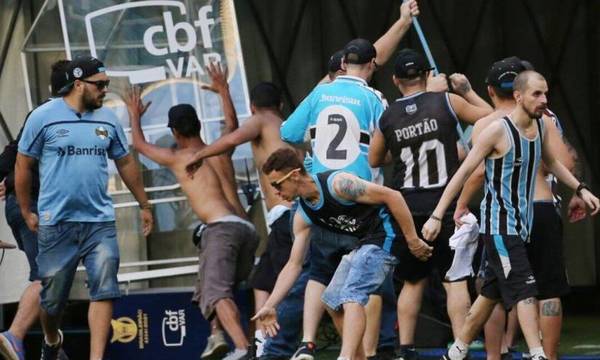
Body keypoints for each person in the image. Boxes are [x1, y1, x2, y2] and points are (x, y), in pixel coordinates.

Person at [420, 70, 600, 360]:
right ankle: (538, 353)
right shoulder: (496, 130)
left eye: (545, 93)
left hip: (525, 223)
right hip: (501, 227)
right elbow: (465, 173)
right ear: (518, 96)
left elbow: (553, 162)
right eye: (536, 94)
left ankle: (457, 349)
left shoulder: (541, 126)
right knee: (525, 286)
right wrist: (438, 215)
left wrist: (581, 188)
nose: (544, 100)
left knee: (491, 291)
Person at [15, 56, 154, 360]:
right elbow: (23, 164)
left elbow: (126, 161)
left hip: (99, 222)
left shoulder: (108, 119)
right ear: (78, 84)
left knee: (105, 289)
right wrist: (26, 210)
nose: (105, 90)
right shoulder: (42, 117)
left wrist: (144, 203)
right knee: (52, 302)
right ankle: (52, 340)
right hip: (57, 223)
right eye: (100, 84)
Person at [125, 63, 258, 360]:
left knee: (216, 292)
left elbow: (140, 145)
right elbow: (232, 126)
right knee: (210, 284)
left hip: (221, 229)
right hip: (246, 230)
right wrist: (223, 90)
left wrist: (134, 115)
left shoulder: (180, 157)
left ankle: (243, 350)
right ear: (198, 124)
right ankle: (216, 335)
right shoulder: (220, 149)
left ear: (174, 131)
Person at [368, 48, 493, 359]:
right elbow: (493, 119)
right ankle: (460, 347)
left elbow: (373, 158)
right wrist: (463, 90)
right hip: (446, 204)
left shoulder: (388, 117)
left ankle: (406, 349)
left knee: (412, 281)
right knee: (455, 279)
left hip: (407, 208)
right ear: (426, 75)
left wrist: (401, 147)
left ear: (396, 80)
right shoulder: (447, 102)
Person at [253, 148, 432, 360]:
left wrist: (413, 240)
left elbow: (392, 196)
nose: (275, 192)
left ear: (294, 175)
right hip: (362, 245)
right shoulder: (303, 214)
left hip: (387, 236)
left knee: (351, 293)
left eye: (277, 184)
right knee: (331, 300)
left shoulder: (338, 184)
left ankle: (345, 357)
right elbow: (294, 264)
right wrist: (270, 305)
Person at [452, 57, 578, 360]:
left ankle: (496, 355)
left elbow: (477, 171)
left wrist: (459, 205)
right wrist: (578, 189)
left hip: (505, 217)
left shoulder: (487, 124)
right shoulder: (545, 118)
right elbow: (566, 162)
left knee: (495, 288)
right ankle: (546, 355)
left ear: (492, 90)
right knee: (547, 289)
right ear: (522, 89)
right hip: (544, 208)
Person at [280, 37, 393, 360]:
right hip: (359, 197)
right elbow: (384, 146)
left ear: (343, 64)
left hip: (321, 198)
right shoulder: (374, 97)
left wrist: (316, 141)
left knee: (320, 272)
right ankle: (367, 353)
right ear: (371, 65)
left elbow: (287, 132)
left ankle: (311, 342)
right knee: (363, 284)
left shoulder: (319, 93)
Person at [185, 81, 297, 356]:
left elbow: (233, 136)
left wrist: (199, 154)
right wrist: (224, 90)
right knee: (262, 280)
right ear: (281, 104)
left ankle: (287, 344)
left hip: (287, 215)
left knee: (293, 283)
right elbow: (231, 129)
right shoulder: (287, 126)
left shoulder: (261, 120)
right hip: (283, 217)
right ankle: (262, 340)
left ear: (253, 107)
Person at [0, 59, 71, 360]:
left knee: (54, 277)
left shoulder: (45, 114)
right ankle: (15, 337)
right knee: (47, 278)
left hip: (29, 204)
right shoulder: (57, 116)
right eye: (98, 84)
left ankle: (51, 345)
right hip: (34, 205)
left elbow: (11, 153)